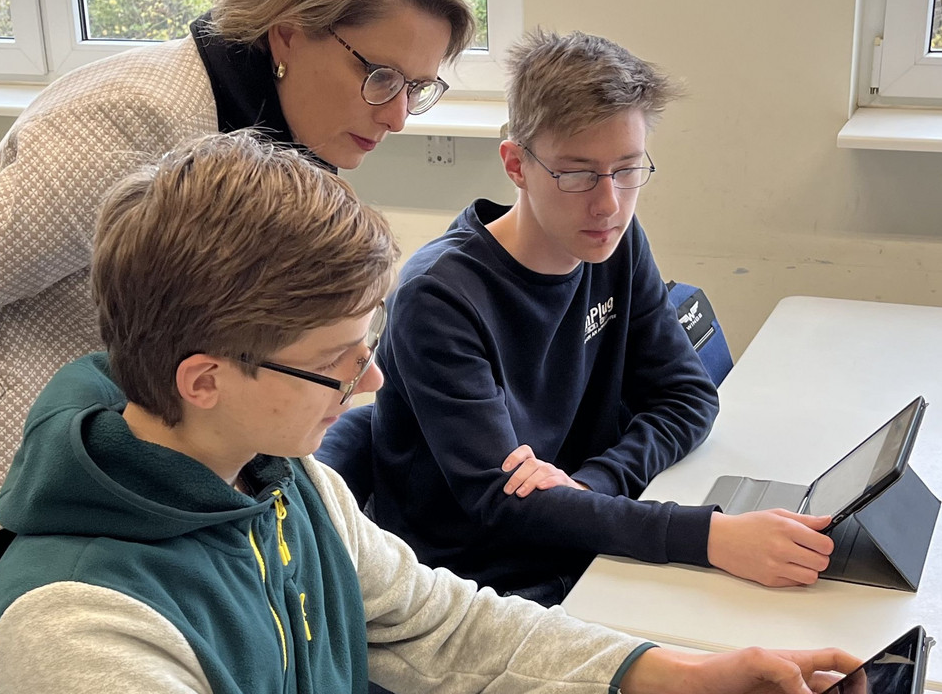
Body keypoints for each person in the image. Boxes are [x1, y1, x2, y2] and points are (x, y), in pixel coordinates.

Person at [0, 129, 859, 694]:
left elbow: (448, 628)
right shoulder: (81, 634)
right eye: (336, 363)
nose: (370, 384)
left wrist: (678, 675)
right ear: (204, 380)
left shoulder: (292, 487)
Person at [0, 0, 475, 691]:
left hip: (112, 405)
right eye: (380, 76)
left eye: (418, 87)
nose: (400, 115)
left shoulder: (282, 121)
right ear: (288, 33)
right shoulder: (132, 121)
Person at [325, 30, 836, 607]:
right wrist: (709, 537)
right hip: (483, 586)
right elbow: (505, 502)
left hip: (587, 539)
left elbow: (689, 396)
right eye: (577, 174)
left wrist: (597, 481)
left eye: (627, 169)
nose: (609, 203)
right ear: (516, 164)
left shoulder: (615, 243)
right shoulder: (440, 297)